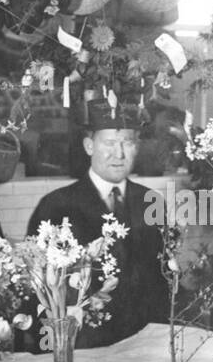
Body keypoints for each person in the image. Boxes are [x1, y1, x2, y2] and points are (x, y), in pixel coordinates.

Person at [26, 99, 168, 348]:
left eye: (128, 143)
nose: (119, 154)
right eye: (110, 143)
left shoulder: (151, 201)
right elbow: (37, 290)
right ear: (89, 146)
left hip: (146, 341)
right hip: (84, 344)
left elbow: (162, 279)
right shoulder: (56, 206)